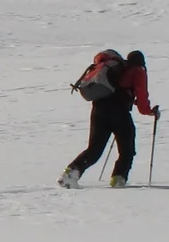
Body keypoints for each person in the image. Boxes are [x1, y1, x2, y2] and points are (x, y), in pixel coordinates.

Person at [59, 49, 160, 189]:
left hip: (98, 110)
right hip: (119, 113)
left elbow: (119, 91)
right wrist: (150, 112)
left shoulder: (115, 70)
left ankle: (70, 173)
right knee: (127, 150)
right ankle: (118, 179)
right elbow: (141, 99)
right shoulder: (137, 71)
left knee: (94, 150)